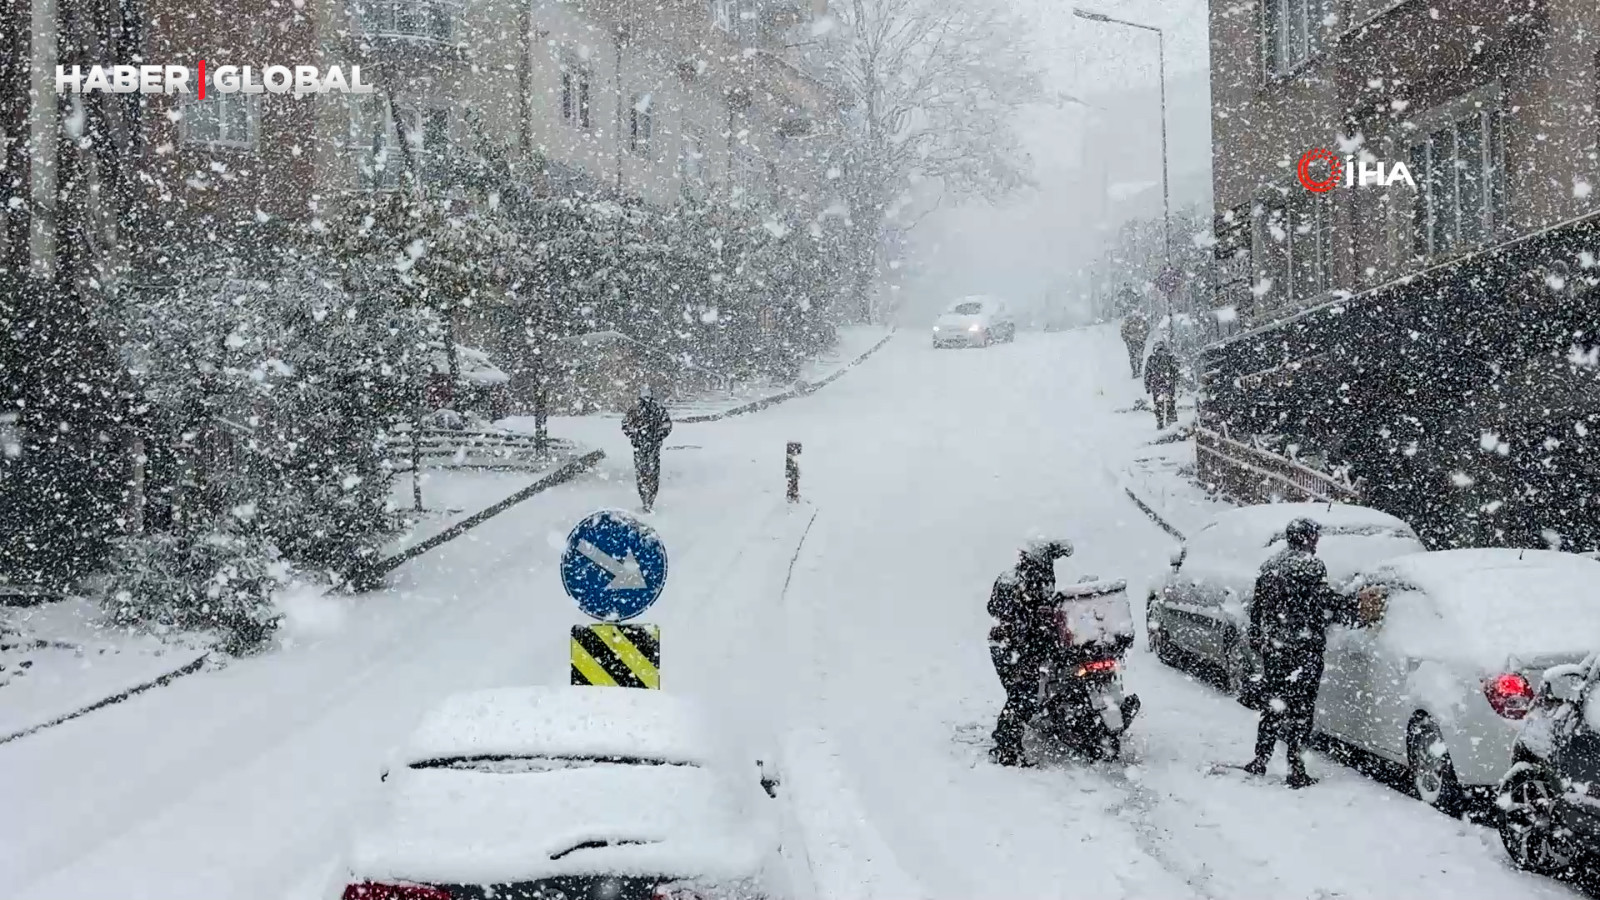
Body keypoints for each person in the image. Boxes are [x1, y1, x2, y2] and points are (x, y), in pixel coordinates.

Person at [1240, 517, 1359, 788]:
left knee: (1273, 705)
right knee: (1301, 711)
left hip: (1276, 647)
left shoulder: (1270, 564)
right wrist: (1352, 605)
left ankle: (1260, 759)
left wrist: (1258, 635)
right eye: (1315, 537)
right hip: (1304, 648)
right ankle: (1296, 768)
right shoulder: (1311, 565)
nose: (1317, 542)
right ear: (1307, 538)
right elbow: (1323, 598)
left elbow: (1256, 606)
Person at [987, 538, 1074, 766]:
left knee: (1030, 690)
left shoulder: (1032, 576)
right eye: (1047, 558)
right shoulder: (1016, 581)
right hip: (1010, 647)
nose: (1050, 563)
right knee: (1022, 694)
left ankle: (1041, 720)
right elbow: (1013, 616)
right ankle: (1006, 748)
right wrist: (1032, 626)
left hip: (1021, 644)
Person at [622, 383, 672, 512]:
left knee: (650, 474)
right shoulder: (635, 409)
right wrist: (636, 437)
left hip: (651, 446)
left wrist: (657, 437)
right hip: (641, 446)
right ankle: (646, 500)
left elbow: (667, 426)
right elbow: (626, 426)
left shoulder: (656, 408)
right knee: (644, 473)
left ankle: (649, 500)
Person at [1144, 341, 1180, 429]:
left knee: (1159, 405)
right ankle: (1170, 421)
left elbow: (1147, 373)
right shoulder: (1169, 357)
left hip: (1157, 385)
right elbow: (1176, 371)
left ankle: (1161, 421)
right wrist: (1177, 381)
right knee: (1170, 403)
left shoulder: (1152, 359)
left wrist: (1147, 385)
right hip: (1168, 384)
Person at [1120, 311, 1150, 378]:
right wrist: (1126, 339)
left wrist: (1144, 337)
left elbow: (1147, 329)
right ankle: (1135, 371)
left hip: (1139, 341)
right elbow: (1123, 330)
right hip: (1132, 341)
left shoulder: (1142, 320)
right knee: (1133, 356)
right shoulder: (1129, 319)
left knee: (1138, 355)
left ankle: (1138, 370)